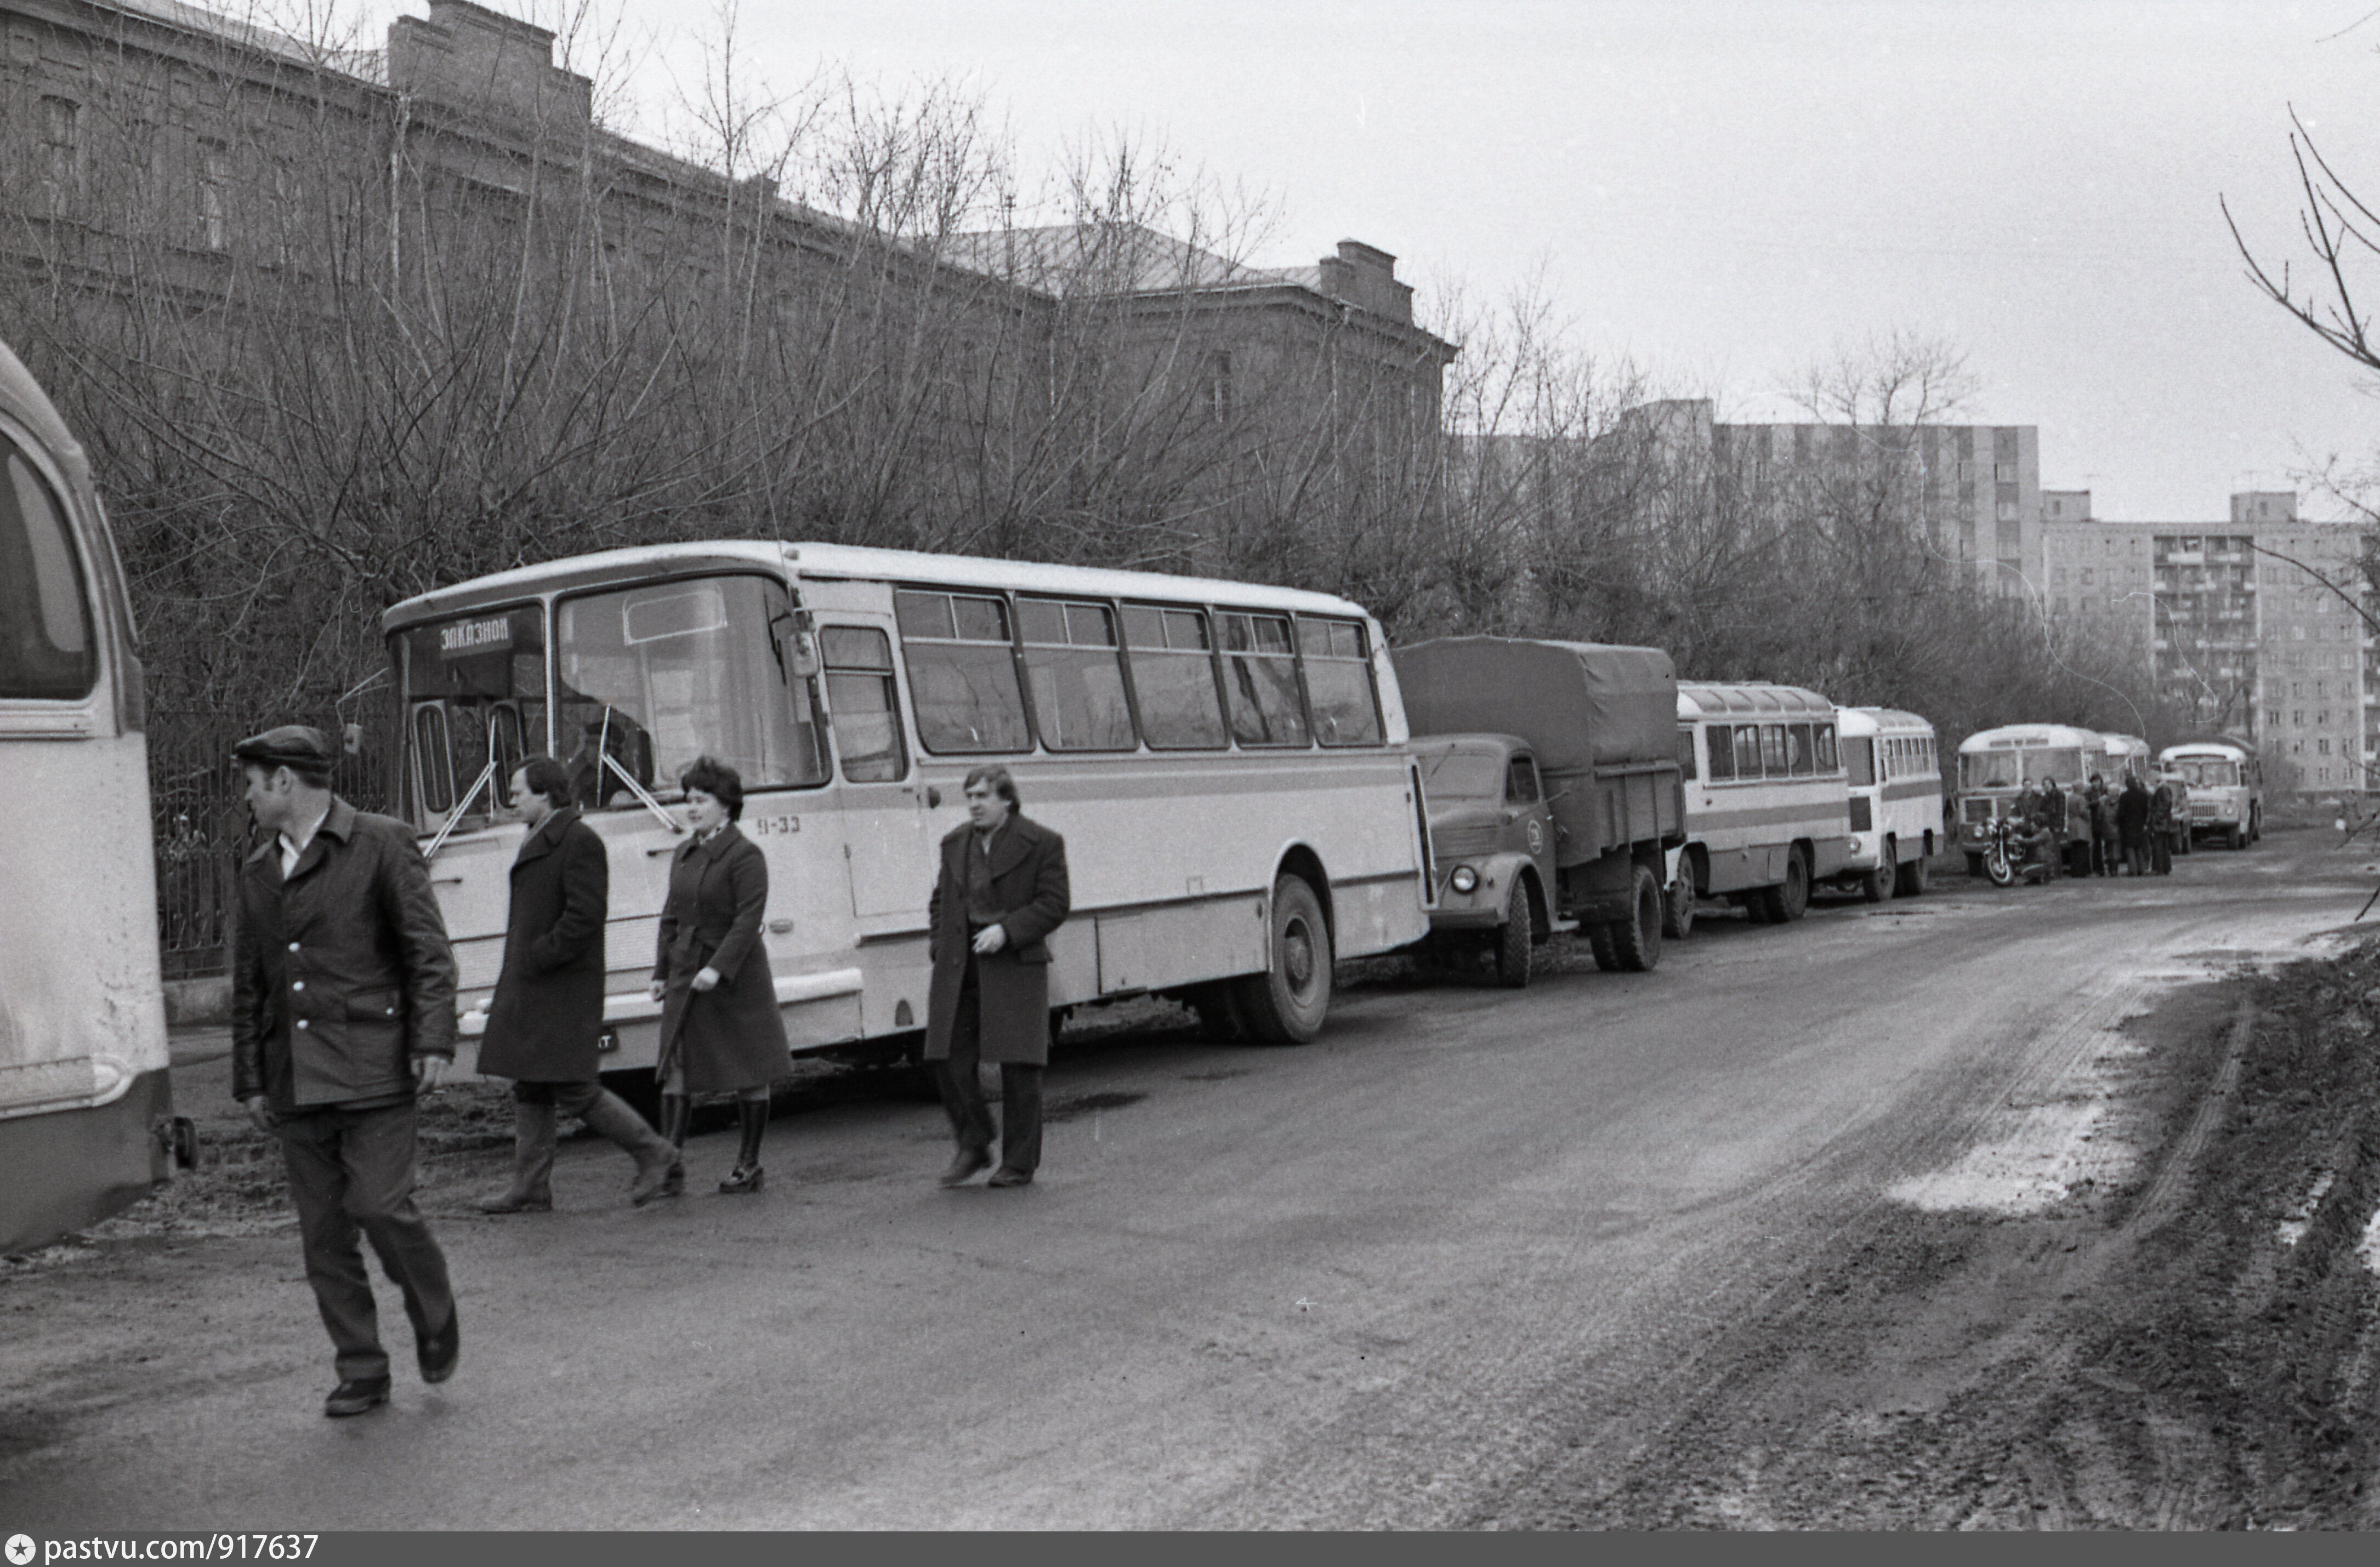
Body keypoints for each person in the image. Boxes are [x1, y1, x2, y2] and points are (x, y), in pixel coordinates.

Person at [229, 724, 461, 1419]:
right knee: (324, 1235)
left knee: (379, 1206)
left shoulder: (381, 842)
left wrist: (433, 1040)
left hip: (375, 1064)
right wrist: (250, 1079)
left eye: (252, 782)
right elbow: (250, 985)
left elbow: (428, 951)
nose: (246, 796)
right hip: (294, 1077)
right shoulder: (255, 871)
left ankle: (434, 1307)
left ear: (284, 782)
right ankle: (361, 1368)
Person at [476, 756, 680, 1213]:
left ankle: (656, 1153)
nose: (511, 801)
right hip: (536, 986)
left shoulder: (578, 840)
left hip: (561, 987)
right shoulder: (542, 836)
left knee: (573, 1086)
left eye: (518, 792)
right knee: (529, 1083)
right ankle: (530, 1187)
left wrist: (538, 955)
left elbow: (585, 916)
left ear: (545, 793)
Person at [925, 766, 1071, 1188]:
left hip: (1013, 962)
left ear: (1007, 800)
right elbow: (939, 901)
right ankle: (974, 1143)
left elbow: (1055, 903)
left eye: (983, 796)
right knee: (946, 1054)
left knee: (1019, 1067)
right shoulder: (954, 844)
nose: (973, 803)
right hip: (961, 965)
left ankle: (1019, 1163)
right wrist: (939, 943)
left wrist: (1007, 930)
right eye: (969, 795)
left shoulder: (1042, 843)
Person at [649, 756, 787, 1194]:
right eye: (687, 799)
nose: (691, 808)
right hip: (687, 971)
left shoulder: (746, 856)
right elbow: (670, 916)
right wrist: (660, 971)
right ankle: (668, 1167)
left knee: (748, 1069)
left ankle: (748, 1165)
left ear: (726, 805)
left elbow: (748, 921)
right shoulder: (684, 852)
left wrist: (717, 968)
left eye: (701, 799)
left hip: (735, 979)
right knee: (676, 1066)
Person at [2117, 775, 2153, 876]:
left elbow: (2121, 813)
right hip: (2140, 825)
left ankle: (2133, 870)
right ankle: (2141, 869)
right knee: (2139, 848)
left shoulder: (2124, 796)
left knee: (2130, 849)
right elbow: (2147, 810)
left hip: (2128, 825)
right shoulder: (2143, 795)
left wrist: (2121, 824)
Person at [2145, 773, 2177, 876]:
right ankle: (2164, 867)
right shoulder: (2164, 789)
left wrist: (2157, 816)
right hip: (2164, 822)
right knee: (2163, 846)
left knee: (2159, 845)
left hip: (2161, 823)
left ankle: (2160, 867)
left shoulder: (2162, 789)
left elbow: (2165, 805)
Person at [2092, 777, 2122, 877]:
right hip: (2117, 829)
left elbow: (2099, 816)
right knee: (2115, 850)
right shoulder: (2120, 803)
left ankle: (2111, 869)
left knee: (2109, 850)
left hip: (2106, 829)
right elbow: (2121, 816)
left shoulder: (2103, 804)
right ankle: (2115, 869)